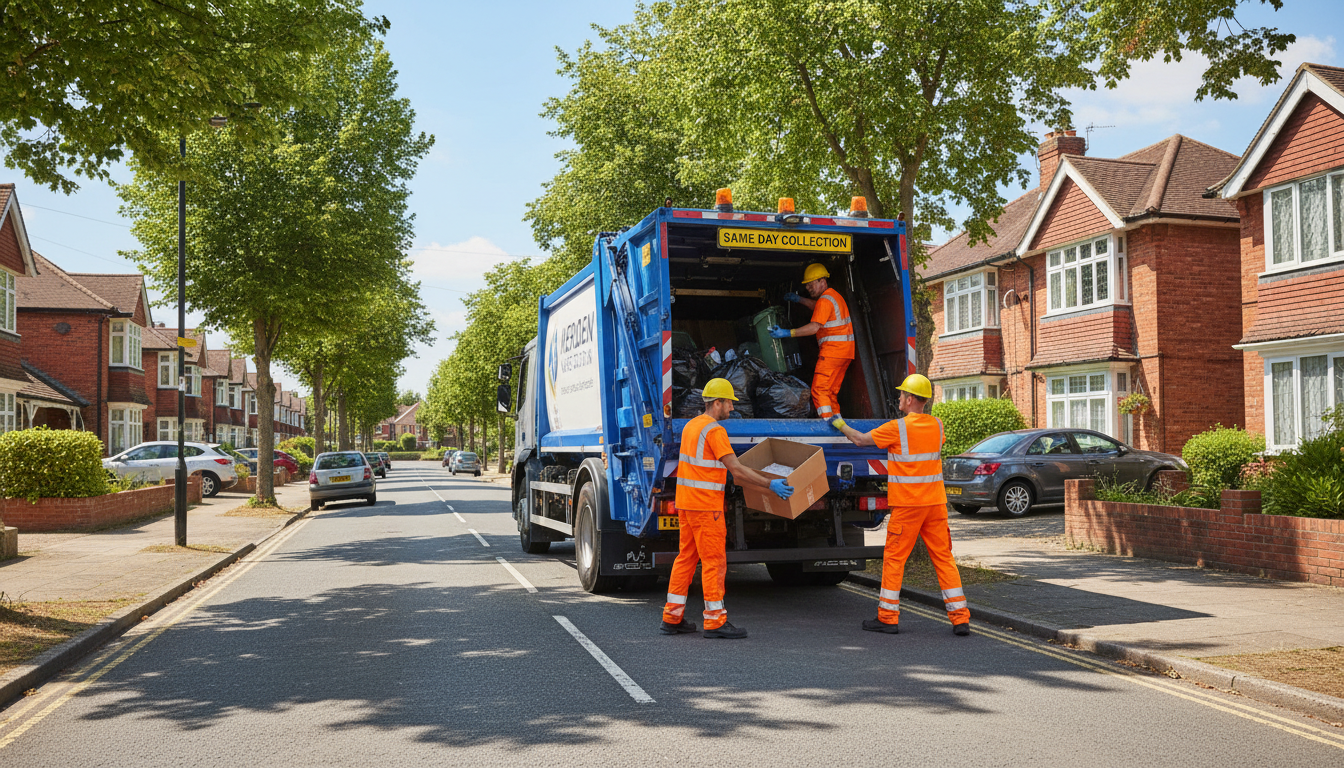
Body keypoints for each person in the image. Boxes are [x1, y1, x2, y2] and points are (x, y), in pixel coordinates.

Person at [832, 373, 971, 636]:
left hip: (908, 506)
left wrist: (839, 424)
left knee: (895, 559)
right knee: (943, 558)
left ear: (909, 399)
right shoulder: (937, 425)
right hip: (935, 504)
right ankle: (960, 618)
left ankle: (887, 617)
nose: (898, 398)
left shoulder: (897, 428)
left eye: (901, 395)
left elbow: (860, 440)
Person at [662, 378, 795, 640]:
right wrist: (771, 485)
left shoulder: (692, 426)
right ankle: (715, 621)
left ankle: (672, 616)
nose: (732, 409)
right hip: (705, 506)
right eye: (729, 403)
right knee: (714, 562)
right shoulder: (714, 431)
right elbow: (736, 470)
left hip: (687, 504)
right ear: (717, 403)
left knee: (686, 558)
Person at [768, 263, 854, 424]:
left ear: (823, 281)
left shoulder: (826, 299)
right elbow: (818, 307)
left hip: (832, 352)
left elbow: (815, 327)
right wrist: (799, 299)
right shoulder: (833, 296)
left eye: (811, 283)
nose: (808, 287)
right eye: (806, 285)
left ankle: (827, 425)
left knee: (819, 390)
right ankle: (839, 424)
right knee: (830, 392)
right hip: (845, 352)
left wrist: (788, 333)